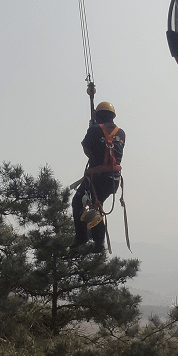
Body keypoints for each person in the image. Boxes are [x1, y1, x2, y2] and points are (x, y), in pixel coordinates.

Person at [70, 101, 125, 253]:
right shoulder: (121, 133)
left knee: (77, 203)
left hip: (98, 178)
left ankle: (83, 238)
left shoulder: (94, 129)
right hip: (113, 180)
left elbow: (87, 150)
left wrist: (91, 128)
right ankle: (97, 242)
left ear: (97, 115)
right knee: (96, 206)